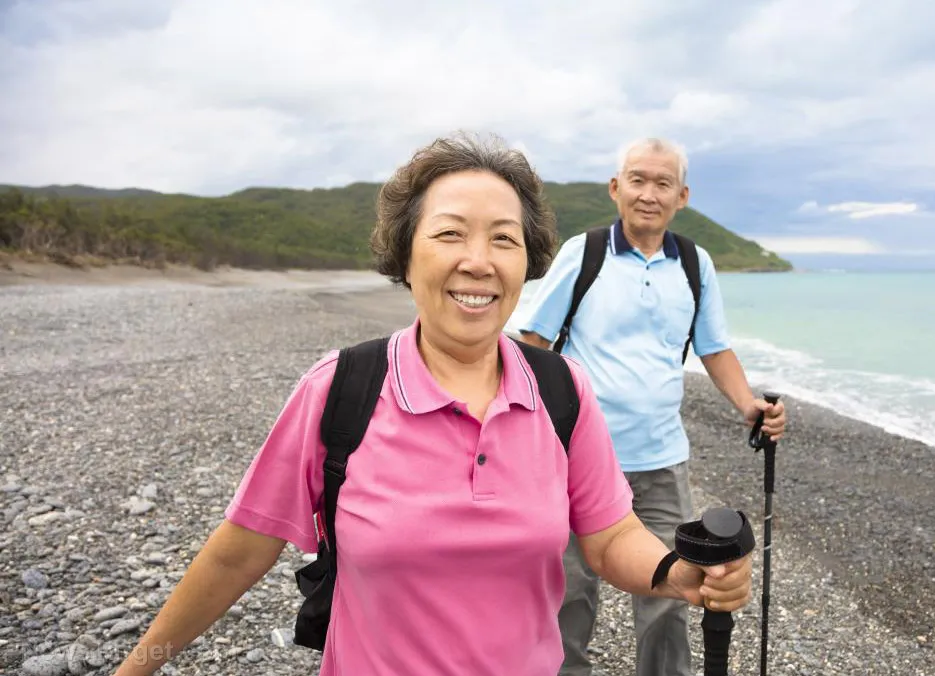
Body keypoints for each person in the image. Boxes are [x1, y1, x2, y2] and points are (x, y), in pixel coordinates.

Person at [111, 132, 753, 676]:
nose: (478, 262)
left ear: (526, 262)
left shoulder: (561, 391)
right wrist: (140, 665)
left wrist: (676, 573)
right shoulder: (341, 390)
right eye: (450, 234)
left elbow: (610, 536)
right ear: (406, 253)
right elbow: (239, 550)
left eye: (504, 239)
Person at [517, 137, 787, 676]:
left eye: (662, 183)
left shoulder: (694, 262)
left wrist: (748, 405)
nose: (649, 193)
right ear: (616, 188)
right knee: (570, 597)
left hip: (662, 460)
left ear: (681, 195)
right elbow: (533, 342)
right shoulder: (584, 252)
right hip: (575, 461)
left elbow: (713, 346)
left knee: (674, 591)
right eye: (637, 179)